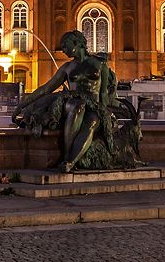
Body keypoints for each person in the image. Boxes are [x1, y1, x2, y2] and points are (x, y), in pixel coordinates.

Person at [12, 30, 118, 172]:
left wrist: (107, 112)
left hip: (94, 106)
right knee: (78, 106)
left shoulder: (100, 64)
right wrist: (22, 105)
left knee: (92, 121)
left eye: (65, 45)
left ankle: (70, 161)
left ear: (76, 43)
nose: (63, 50)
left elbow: (104, 93)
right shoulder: (67, 67)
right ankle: (67, 154)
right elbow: (46, 89)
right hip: (72, 101)